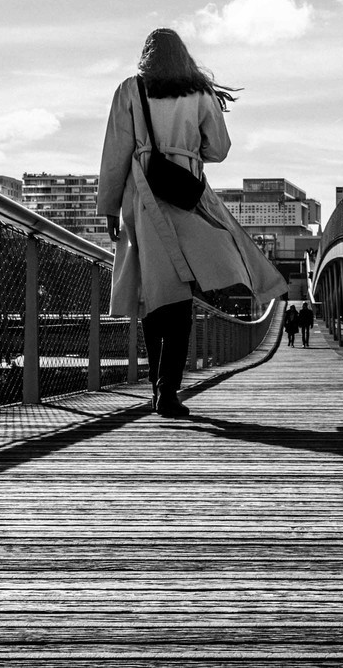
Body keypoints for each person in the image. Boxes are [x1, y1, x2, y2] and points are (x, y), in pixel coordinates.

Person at [99, 28, 288, 417]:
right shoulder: (198, 93)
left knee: (155, 293)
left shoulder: (130, 90)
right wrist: (188, 151)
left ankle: (159, 386)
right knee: (182, 295)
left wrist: (110, 207)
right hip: (186, 193)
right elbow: (219, 148)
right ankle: (167, 389)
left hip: (143, 194)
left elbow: (115, 150)